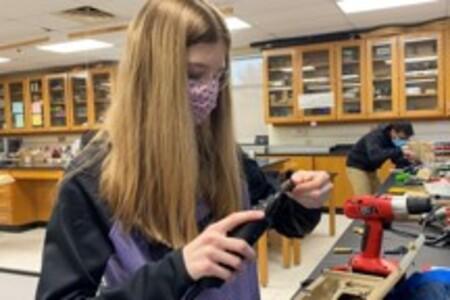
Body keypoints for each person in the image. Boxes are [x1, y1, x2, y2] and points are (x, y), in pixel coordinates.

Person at [36, 1, 332, 299]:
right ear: (150, 76)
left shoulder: (223, 155)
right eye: (193, 75)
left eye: (218, 76)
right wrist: (178, 270)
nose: (209, 91)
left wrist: (301, 203)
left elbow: (281, 221)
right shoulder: (92, 179)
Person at [346, 121, 416, 195]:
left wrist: (410, 161)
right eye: (402, 138)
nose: (403, 141)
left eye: (406, 139)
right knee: (364, 198)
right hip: (356, 167)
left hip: (371, 168)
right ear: (393, 131)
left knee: (378, 195)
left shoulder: (393, 139)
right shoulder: (375, 136)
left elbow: (396, 158)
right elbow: (375, 156)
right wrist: (400, 150)